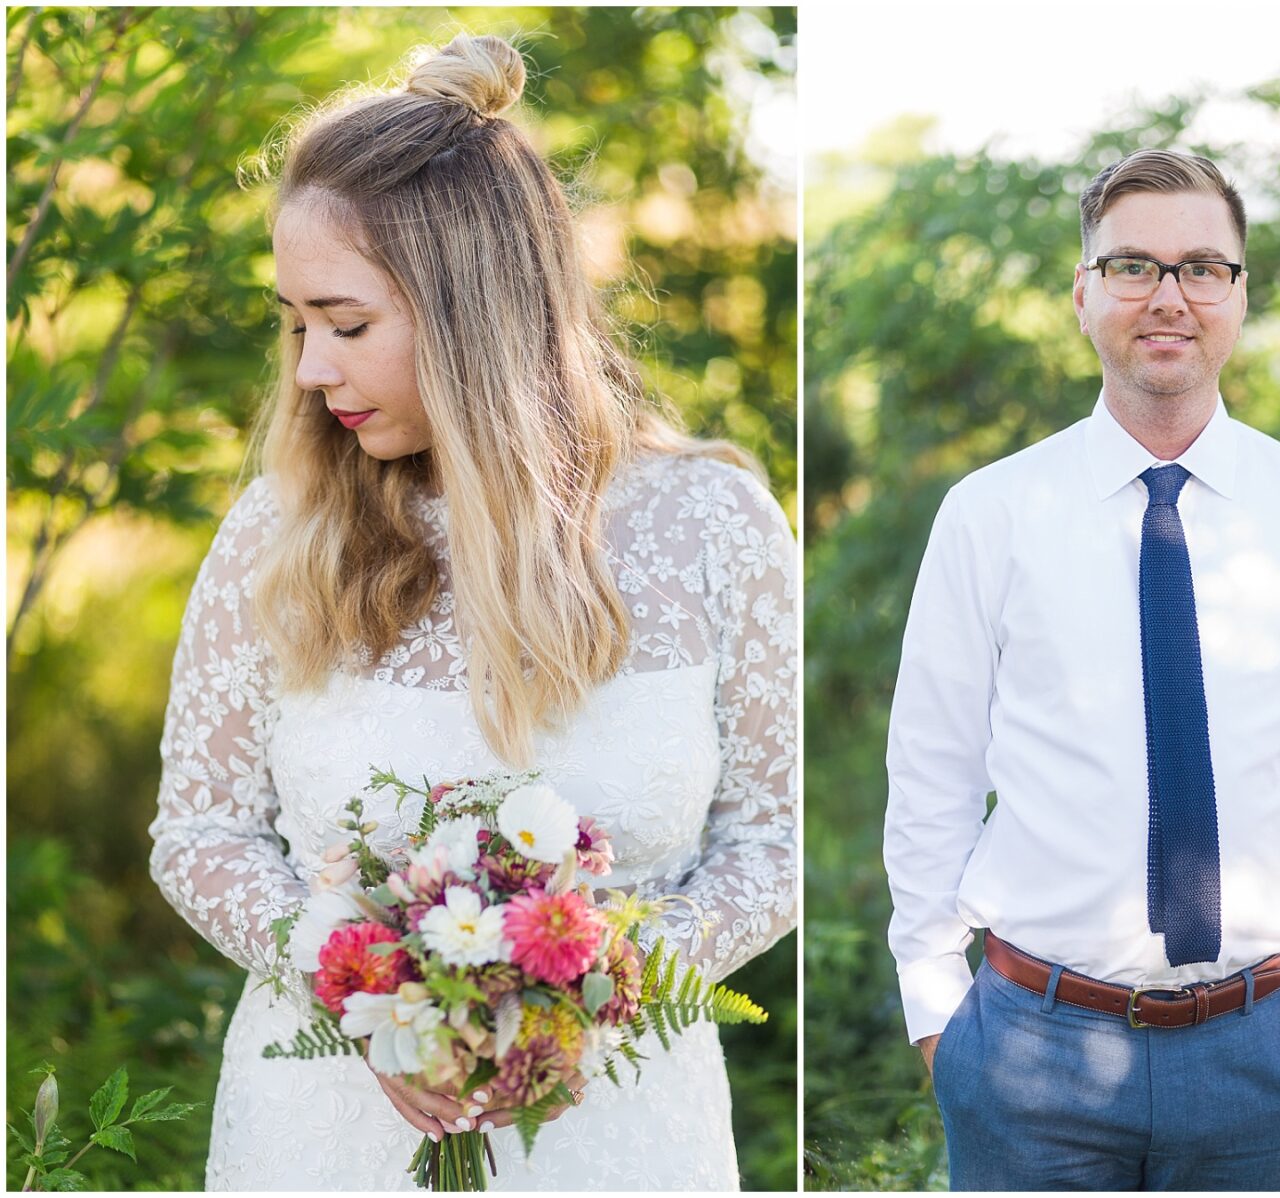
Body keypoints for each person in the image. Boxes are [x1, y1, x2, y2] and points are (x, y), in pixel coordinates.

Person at [149, 33, 796, 1191]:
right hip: (324, 1131)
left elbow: (774, 848)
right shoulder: (276, 531)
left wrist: (595, 982)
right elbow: (201, 837)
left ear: (471, 313)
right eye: (294, 321)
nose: (306, 369)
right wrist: (356, 979)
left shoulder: (712, 527)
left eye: (345, 325)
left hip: (619, 1132)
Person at [882, 148, 1280, 1192]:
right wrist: (937, 1007)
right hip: (1030, 1052)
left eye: (1202, 267)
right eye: (1133, 266)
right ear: (1083, 295)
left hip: (1260, 1052)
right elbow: (931, 769)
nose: (1168, 295)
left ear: (1238, 297)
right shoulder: (991, 514)